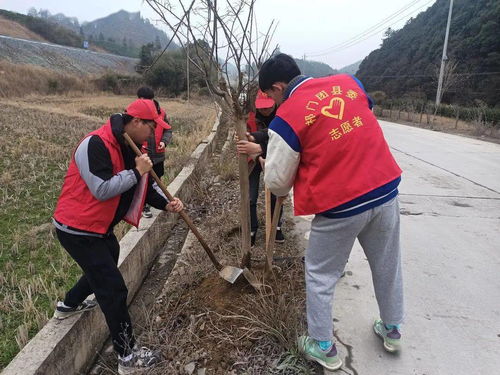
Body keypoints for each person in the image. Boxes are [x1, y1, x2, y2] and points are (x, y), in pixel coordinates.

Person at [259, 54, 404, 371]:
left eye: (270, 96)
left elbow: (277, 183)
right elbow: (358, 119)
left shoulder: (287, 116)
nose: (271, 103)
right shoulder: (348, 82)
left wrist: (271, 168)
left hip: (341, 203)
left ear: (278, 86)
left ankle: (323, 346)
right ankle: (392, 329)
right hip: (385, 190)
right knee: (387, 264)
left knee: (320, 273)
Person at [52, 98, 183, 374]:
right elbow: (102, 189)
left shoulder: (130, 144)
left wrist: (167, 204)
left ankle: (68, 305)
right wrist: (137, 171)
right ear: (136, 122)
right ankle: (127, 357)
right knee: (113, 289)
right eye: (151, 127)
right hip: (78, 229)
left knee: (105, 264)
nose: (153, 133)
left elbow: (142, 187)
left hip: (99, 228)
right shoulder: (95, 144)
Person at [237, 90, 285, 246]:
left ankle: (275, 227)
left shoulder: (282, 116)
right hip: (252, 161)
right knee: (250, 197)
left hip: (274, 159)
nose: (265, 110)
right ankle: (252, 230)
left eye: (268, 107)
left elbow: (280, 140)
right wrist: (258, 157)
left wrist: (263, 153)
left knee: (274, 194)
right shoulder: (248, 118)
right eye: (262, 107)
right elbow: (244, 143)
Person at [136, 86, 173, 218]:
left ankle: (159, 202)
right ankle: (144, 206)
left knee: (157, 178)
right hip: (143, 154)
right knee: (144, 181)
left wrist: (164, 141)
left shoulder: (161, 113)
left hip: (158, 154)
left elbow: (168, 129)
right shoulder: (134, 114)